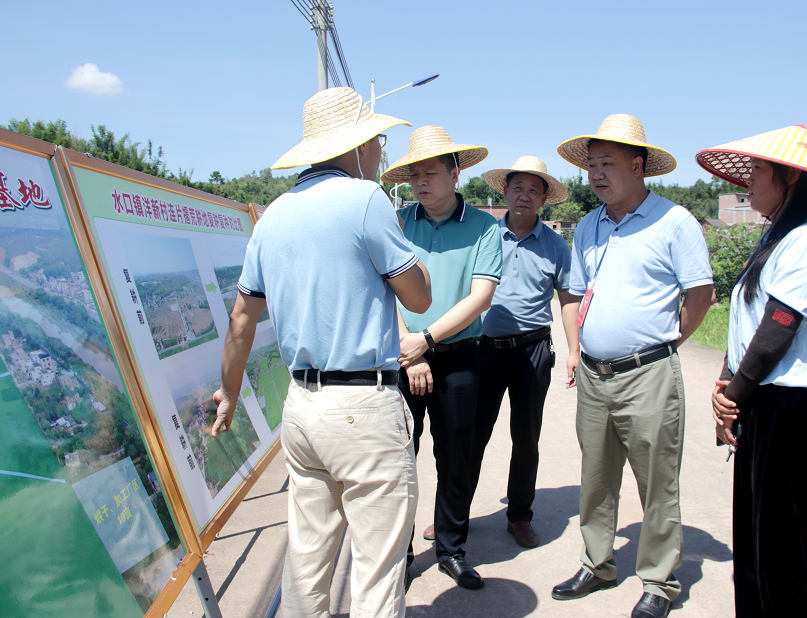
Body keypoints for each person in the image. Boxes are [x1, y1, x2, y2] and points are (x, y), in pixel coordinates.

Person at [210, 87, 432, 618]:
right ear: (355, 146)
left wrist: (229, 391)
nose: (381, 151)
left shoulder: (274, 216)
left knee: (307, 559)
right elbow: (418, 297)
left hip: (303, 407)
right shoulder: (367, 201)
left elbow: (242, 318)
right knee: (376, 571)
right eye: (378, 140)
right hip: (364, 406)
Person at [699, 123, 807, 617]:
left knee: (783, 554)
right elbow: (748, 320)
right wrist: (729, 387)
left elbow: (779, 326)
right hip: (764, 403)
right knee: (753, 547)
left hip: (792, 411)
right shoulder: (780, 234)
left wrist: (735, 392)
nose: (747, 182)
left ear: (791, 177)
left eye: (757, 171)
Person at [551, 114, 714, 618]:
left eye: (608, 163)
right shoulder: (590, 226)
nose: (596, 174)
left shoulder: (674, 221)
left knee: (656, 480)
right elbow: (575, 293)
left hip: (649, 374)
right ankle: (596, 562)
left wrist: (664, 343)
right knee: (596, 477)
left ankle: (659, 582)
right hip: (596, 375)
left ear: (638, 166)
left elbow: (702, 294)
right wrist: (577, 348)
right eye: (591, 165)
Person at [381, 126, 502, 590]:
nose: (421, 182)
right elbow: (382, 288)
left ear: (456, 172)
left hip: (459, 357)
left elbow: (481, 297)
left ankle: (451, 548)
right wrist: (410, 350)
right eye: (414, 174)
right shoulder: (395, 222)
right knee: (397, 459)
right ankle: (399, 553)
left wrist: (426, 340)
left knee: (456, 457)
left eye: (431, 172)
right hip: (402, 356)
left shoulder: (484, 227)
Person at [468, 156, 580, 548]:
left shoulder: (555, 245)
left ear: (544, 198)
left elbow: (568, 300)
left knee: (526, 436)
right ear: (505, 191)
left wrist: (573, 350)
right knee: (472, 434)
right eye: (518, 187)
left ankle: (519, 515)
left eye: (534, 189)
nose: (525, 195)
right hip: (484, 349)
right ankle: (455, 513)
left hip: (533, 350)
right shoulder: (484, 235)